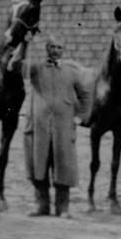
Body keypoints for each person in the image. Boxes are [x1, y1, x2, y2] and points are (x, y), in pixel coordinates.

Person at [23, 32, 90, 218]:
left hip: (63, 128)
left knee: (63, 166)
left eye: (59, 47)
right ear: (47, 48)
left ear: (63, 50)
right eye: (52, 47)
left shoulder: (71, 72)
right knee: (39, 165)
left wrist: (80, 118)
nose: (55, 51)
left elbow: (86, 95)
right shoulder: (36, 68)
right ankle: (42, 206)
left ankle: (63, 208)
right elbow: (15, 67)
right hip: (39, 127)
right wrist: (25, 45)